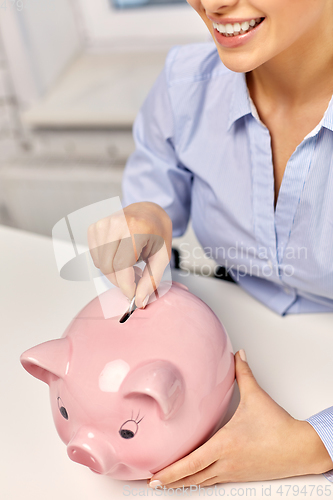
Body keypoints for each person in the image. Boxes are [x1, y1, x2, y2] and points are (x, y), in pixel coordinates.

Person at [87, 0, 333, 487]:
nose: (214, 3)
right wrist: (148, 217)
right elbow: (155, 192)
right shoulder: (186, 85)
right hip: (242, 333)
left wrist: (315, 442)